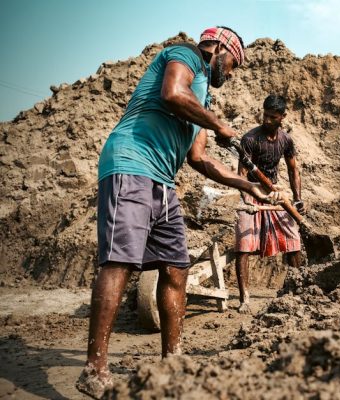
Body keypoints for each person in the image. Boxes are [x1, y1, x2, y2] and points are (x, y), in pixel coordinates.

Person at [76, 27, 280, 399]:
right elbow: (172, 94)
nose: (231, 73)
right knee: (119, 262)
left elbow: (200, 159)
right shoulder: (186, 55)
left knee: (176, 267)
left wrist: (247, 185)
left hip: (162, 181)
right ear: (219, 48)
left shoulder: (201, 101)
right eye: (233, 63)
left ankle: (173, 361)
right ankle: (95, 369)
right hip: (131, 164)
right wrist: (218, 124)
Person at [235, 94, 304, 314]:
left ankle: (296, 290)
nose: (266, 120)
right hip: (251, 191)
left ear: (282, 117)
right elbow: (242, 173)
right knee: (243, 242)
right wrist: (248, 200)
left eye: (272, 117)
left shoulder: (286, 140)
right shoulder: (250, 139)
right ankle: (244, 298)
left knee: (293, 238)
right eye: (264, 115)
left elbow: (293, 170)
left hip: (274, 193)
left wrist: (297, 198)